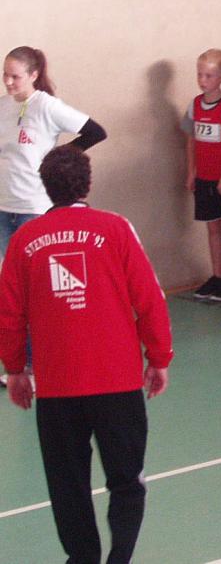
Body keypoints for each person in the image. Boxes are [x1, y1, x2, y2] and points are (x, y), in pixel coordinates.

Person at [0, 146, 173, 564]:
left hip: (57, 387)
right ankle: (120, 558)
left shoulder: (24, 240)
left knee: (67, 485)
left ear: (45, 186)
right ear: (87, 184)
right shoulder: (116, 229)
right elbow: (150, 298)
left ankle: (82, 560)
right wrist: (159, 357)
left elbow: (8, 314)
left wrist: (15, 369)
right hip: (117, 382)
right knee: (127, 480)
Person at [0, 46, 106, 388]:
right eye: (5, 75)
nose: (8, 82)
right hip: (4, 207)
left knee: (38, 292)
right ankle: (19, 362)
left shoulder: (47, 106)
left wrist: (59, 156)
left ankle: (38, 365)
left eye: (15, 76)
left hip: (33, 208)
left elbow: (95, 131)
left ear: (33, 75)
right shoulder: (3, 107)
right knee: (11, 292)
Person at [181, 48, 221, 302]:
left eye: (209, 76)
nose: (203, 80)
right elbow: (191, 140)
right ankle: (217, 275)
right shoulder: (195, 105)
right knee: (213, 227)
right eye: (200, 75)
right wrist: (191, 172)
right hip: (204, 178)